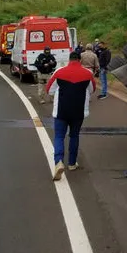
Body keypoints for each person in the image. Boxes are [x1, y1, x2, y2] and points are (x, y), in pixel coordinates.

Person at [45, 51, 96, 180]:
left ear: (69, 59)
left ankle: (58, 162)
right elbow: (92, 89)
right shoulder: (88, 74)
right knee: (74, 135)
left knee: (59, 136)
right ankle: (72, 163)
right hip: (79, 111)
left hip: (61, 111)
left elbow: (49, 89)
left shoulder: (59, 72)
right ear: (80, 60)